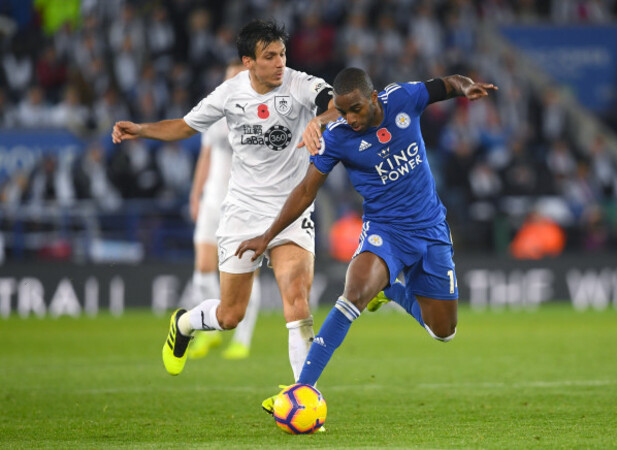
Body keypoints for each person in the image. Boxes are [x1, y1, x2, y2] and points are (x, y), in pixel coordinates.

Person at [235, 67, 497, 413]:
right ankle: (301, 389)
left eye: (355, 109)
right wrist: (268, 236)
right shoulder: (338, 138)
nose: (350, 119)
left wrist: (467, 88)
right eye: (342, 112)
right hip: (385, 232)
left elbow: (447, 84)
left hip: (431, 230)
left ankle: (391, 291)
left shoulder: (403, 98)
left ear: (372, 98)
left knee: (444, 332)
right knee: (353, 296)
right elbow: (305, 191)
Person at [112, 20, 339, 380]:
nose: (280, 62)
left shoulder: (300, 83)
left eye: (282, 54)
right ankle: (184, 324)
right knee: (230, 315)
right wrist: (141, 130)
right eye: (270, 56)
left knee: (297, 299)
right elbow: (186, 125)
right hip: (243, 211)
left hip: (292, 209)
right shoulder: (229, 93)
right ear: (248, 62)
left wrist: (320, 121)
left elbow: (336, 104)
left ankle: (303, 392)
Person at [187, 61, 260, 360]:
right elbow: (205, 156)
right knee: (202, 268)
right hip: (212, 201)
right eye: (229, 78)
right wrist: (195, 194)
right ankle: (208, 333)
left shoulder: (260, 117)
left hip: (243, 205)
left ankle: (242, 340)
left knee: (244, 272)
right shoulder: (214, 112)